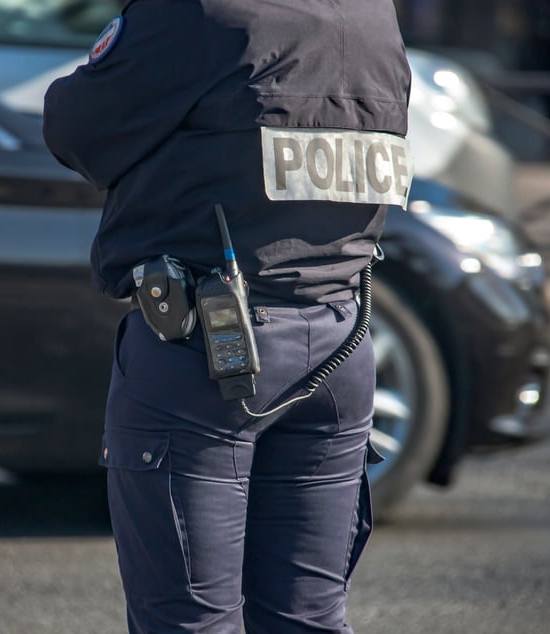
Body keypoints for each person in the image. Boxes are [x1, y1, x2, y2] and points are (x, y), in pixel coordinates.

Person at [43, 1, 412, 631]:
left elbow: (75, 128)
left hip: (207, 355)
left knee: (192, 621)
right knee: (309, 620)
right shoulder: (372, 11)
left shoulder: (200, 10)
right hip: (338, 344)